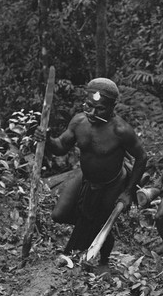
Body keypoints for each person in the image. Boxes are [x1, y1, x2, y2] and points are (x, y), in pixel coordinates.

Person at [35, 77, 147, 268]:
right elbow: (61, 146)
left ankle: (103, 260)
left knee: (97, 219)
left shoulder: (121, 130)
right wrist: (46, 139)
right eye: (88, 106)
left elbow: (142, 157)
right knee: (59, 215)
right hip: (86, 177)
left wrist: (128, 192)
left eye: (100, 109)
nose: (92, 113)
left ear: (113, 106)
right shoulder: (79, 121)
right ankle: (90, 228)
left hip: (112, 183)